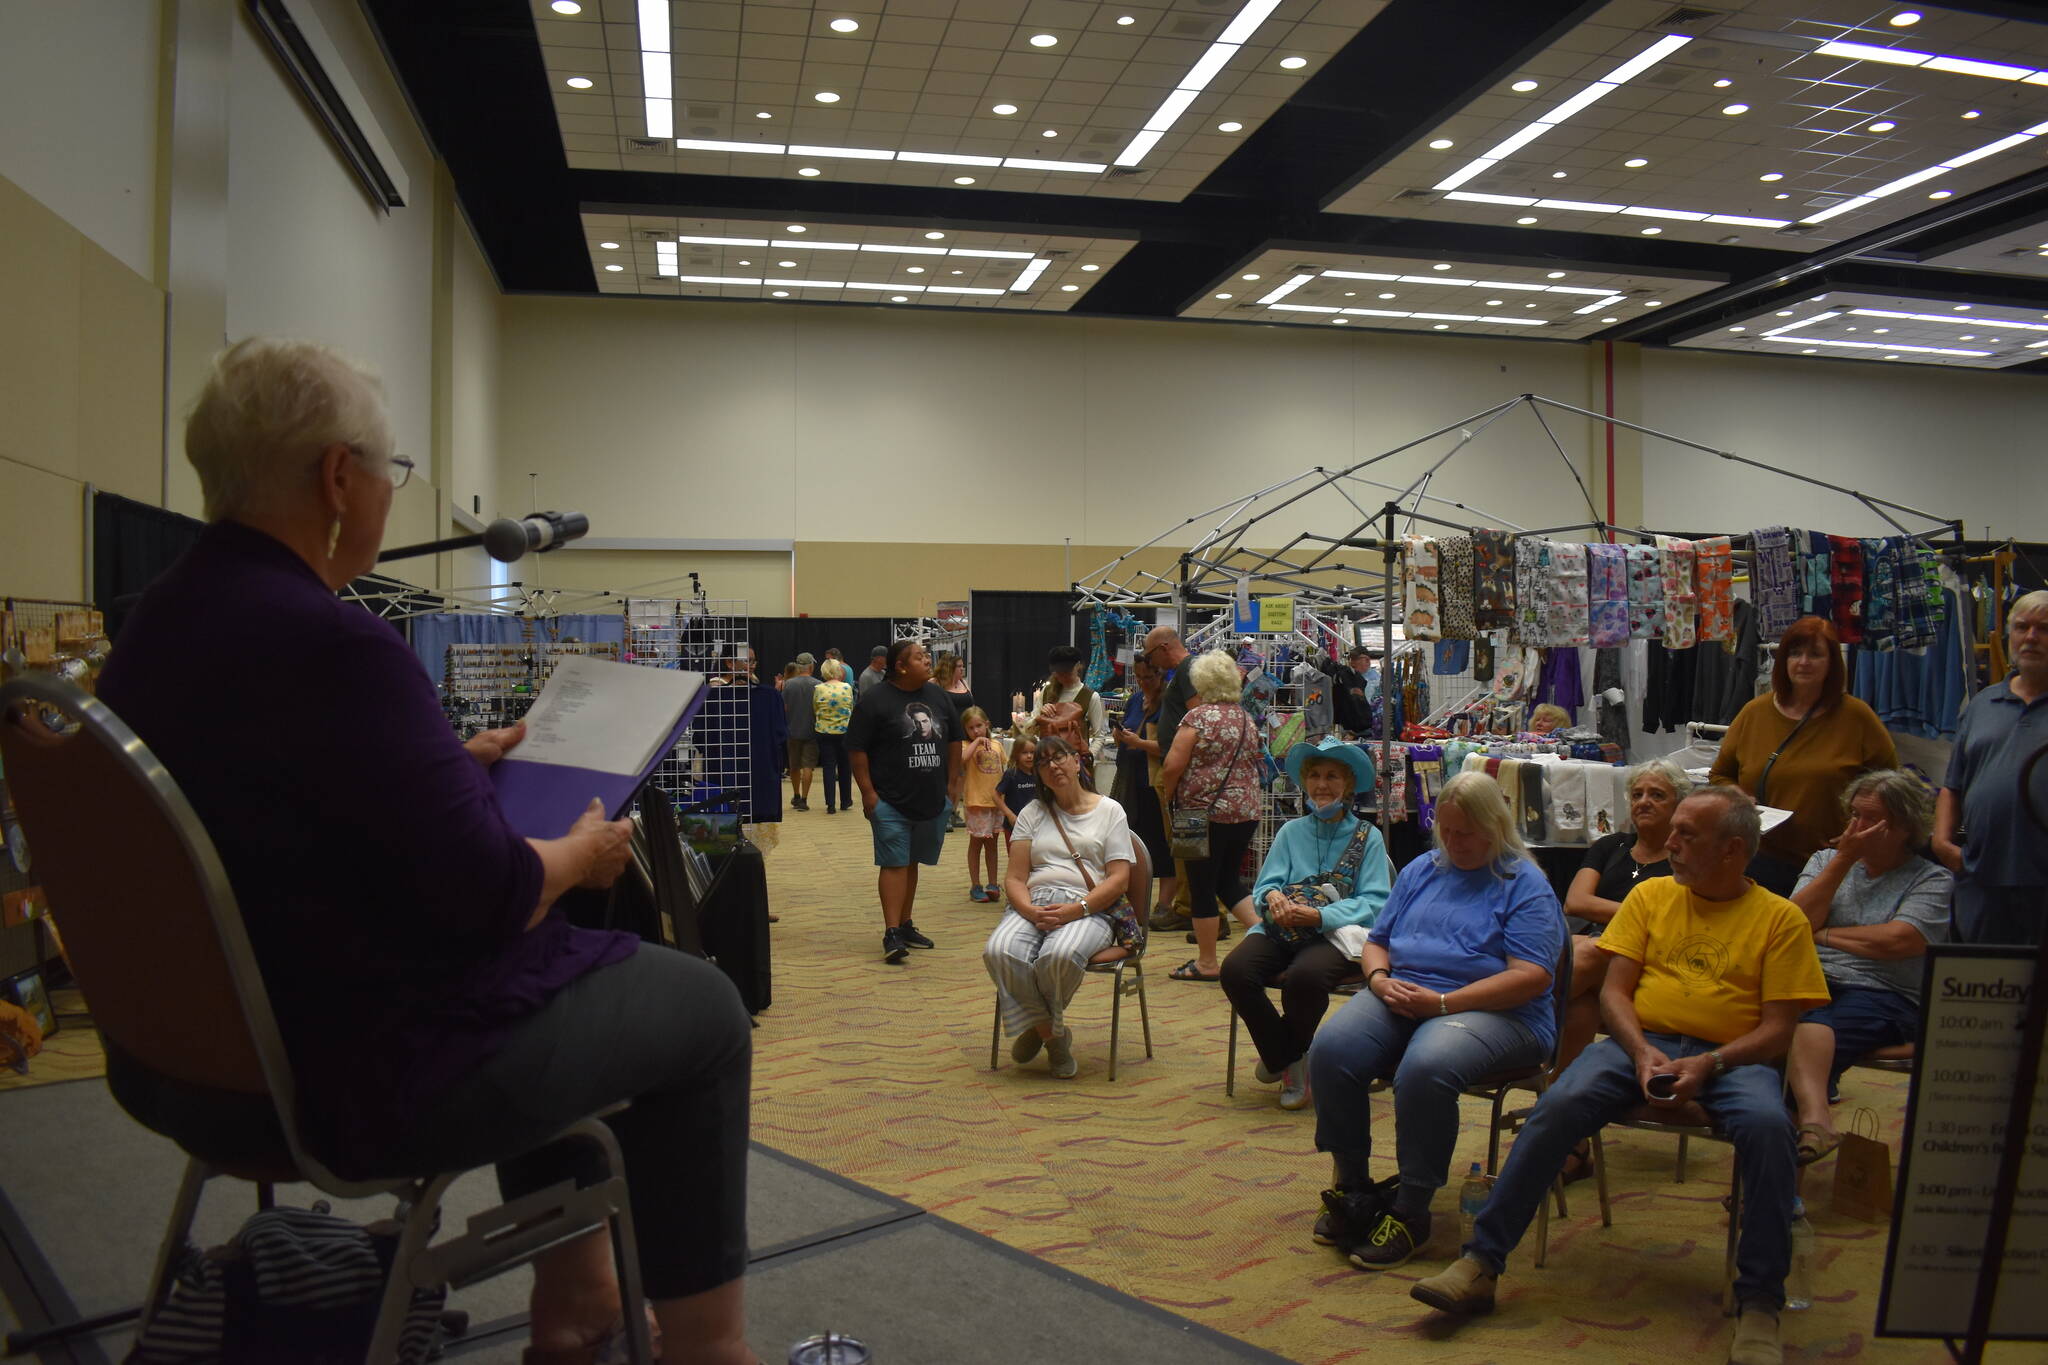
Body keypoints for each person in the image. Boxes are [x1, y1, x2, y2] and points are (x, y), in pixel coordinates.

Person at [94, 339, 756, 1365]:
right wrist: (579, 853)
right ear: (337, 477)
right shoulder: (336, 644)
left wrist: (437, 761)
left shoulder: (160, 626)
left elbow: (274, 803)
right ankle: (706, 1348)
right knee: (701, 1011)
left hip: (187, 1057)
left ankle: (579, 1301)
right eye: (392, 473)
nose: (392, 496)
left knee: (565, 959)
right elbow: (485, 897)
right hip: (348, 1073)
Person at [1410, 787, 1827, 1365]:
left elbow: (1781, 1029)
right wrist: (1639, 1052)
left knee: (1766, 1128)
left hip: (1732, 1055)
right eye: (1673, 831)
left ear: (1733, 850)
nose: (1669, 843)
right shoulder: (1651, 896)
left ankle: (1760, 1304)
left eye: (1687, 835)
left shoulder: (1781, 919)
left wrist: (1710, 1063)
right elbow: (1614, 993)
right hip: (1640, 1044)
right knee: (1556, 1106)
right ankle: (1481, 1263)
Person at [1306, 772, 1562, 1271]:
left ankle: (1412, 1210)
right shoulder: (1424, 868)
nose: (1453, 842)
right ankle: (1353, 1185)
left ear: (1496, 827)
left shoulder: (1523, 883)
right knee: (1333, 1048)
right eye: (1445, 830)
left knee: (1426, 1067)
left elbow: (1531, 976)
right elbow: (1377, 939)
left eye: (1466, 833)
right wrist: (1378, 979)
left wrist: (1445, 1003)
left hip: (1500, 1012)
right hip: (1405, 993)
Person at [1786, 770, 1950, 1163]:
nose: (1854, 827)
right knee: (1776, 1030)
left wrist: (1824, 935)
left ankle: (1783, 1178)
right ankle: (1810, 1129)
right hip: (1812, 980)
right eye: (1853, 815)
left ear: (1903, 827)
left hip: (1885, 994)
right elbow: (1793, 925)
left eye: (1868, 819)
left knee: (1794, 1040)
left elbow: (1898, 941)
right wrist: (1843, 861)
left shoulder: (1932, 880)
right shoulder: (1827, 860)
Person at [1221, 738, 1392, 1109]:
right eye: (1314, 775)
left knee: (1305, 978)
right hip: (1281, 928)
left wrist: (1321, 915)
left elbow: (1376, 902)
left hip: (1335, 935)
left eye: (1332, 776)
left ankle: (1285, 1062)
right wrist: (1273, 898)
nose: (1321, 784)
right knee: (1235, 970)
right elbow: (1265, 884)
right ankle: (1288, 1056)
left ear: (1347, 785)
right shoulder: (1290, 832)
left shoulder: (1369, 837)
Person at [982, 735, 1143, 1079]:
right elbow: (1014, 878)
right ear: (1038, 774)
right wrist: (1028, 910)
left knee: (1059, 956)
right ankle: (1053, 1036)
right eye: (1043, 763)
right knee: (999, 950)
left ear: (1077, 761)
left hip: (1091, 904)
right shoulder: (1032, 812)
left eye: (1059, 758)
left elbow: (1118, 880)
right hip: (1035, 902)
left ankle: (1036, 1028)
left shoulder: (1110, 810)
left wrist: (1078, 909)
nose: (1053, 767)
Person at [1710, 614, 1895, 894]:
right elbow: (1720, 775)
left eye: (1815, 654)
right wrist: (1737, 795)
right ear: (1783, 659)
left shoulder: (1857, 717)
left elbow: (1890, 785)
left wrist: (1859, 827)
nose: (1803, 662)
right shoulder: (1754, 713)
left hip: (1830, 863)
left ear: (1832, 662)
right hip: (1759, 859)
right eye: (1795, 653)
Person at [1559, 759, 1691, 1077]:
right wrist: (1639, 915)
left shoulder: (1685, 858)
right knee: (1583, 1006)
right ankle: (1555, 1092)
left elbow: (1670, 923)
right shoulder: (1610, 845)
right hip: (1591, 957)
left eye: (1657, 795)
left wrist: (1619, 924)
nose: (1644, 801)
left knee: (1591, 951)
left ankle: (1518, 1012)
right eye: (1637, 794)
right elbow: (1575, 902)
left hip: (1645, 960)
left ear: (1680, 805)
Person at [1935, 588, 2048, 944]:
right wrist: (1941, 842)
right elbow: (1953, 785)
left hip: (2042, 883)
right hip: (1980, 875)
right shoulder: (1983, 704)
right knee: (1980, 986)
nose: (2031, 637)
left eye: (2044, 629)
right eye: (2022, 627)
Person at [847, 639, 964, 964]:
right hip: (889, 799)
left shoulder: (938, 695)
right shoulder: (875, 700)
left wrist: (953, 784)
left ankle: (906, 923)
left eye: (928, 656)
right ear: (900, 666)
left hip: (931, 798)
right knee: (895, 862)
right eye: (920, 657)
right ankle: (892, 932)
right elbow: (857, 749)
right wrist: (868, 793)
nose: (928, 660)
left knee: (912, 861)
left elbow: (955, 740)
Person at [1159, 649, 1263, 982]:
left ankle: (1206, 962)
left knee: (1203, 886)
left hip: (1202, 814)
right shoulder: (1246, 718)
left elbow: (1174, 764)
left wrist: (1170, 794)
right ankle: (1267, 937)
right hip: (1245, 812)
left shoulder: (1197, 718)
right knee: (1228, 881)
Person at [1139, 625, 1198, 932]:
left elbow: (1196, 720)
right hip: (1175, 767)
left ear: (1162, 648)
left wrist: (1175, 773)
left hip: (1180, 771)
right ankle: (1188, 904)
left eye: (1149, 656)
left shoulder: (1187, 671)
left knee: (1184, 841)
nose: (1149, 664)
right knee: (1180, 841)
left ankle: (1189, 906)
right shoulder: (1184, 672)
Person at [1109, 655, 1171, 909]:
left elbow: (1171, 747)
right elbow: (1129, 732)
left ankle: (1165, 904)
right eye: (1140, 677)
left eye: (1150, 677)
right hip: (1131, 781)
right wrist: (1120, 735)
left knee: (1162, 844)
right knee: (1133, 843)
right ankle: (1138, 900)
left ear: (1161, 675)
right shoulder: (1135, 700)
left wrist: (1138, 743)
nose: (1144, 683)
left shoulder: (1169, 703)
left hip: (1155, 783)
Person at [1028, 643, 1110, 763]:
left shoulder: (1091, 697)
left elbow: (1099, 737)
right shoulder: (1047, 691)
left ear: (1078, 666)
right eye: (1059, 673)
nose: (1063, 676)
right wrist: (1040, 715)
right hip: (1047, 763)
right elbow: (1029, 728)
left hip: (1077, 765)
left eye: (1067, 672)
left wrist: (1084, 760)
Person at [959, 706, 1006, 902]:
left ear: (987, 724)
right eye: (971, 728)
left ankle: (993, 883)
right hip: (977, 803)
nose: (976, 730)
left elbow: (1005, 767)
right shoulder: (965, 745)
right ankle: (975, 884)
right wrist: (976, 741)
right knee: (976, 844)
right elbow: (962, 759)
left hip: (996, 803)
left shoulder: (997, 745)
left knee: (993, 845)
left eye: (979, 726)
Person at [1305, 644, 1381, 738]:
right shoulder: (1347, 677)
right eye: (1351, 659)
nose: (1352, 662)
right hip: (1352, 728)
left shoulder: (1375, 680)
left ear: (1367, 660)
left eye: (1355, 659)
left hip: (1370, 728)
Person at [812, 659, 855, 815]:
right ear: (838, 670)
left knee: (828, 768)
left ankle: (830, 804)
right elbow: (851, 707)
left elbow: (815, 709)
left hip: (824, 732)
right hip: (844, 731)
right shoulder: (847, 687)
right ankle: (846, 801)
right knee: (845, 767)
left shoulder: (818, 688)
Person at [783, 653, 819, 811]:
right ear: (811, 666)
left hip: (792, 730)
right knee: (808, 766)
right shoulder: (818, 685)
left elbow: (783, 708)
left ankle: (796, 795)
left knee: (794, 766)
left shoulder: (788, 684)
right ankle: (804, 799)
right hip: (812, 730)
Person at [997, 737, 1039, 841]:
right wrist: (1009, 815)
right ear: (1016, 754)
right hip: (1014, 825)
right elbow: (995, 796)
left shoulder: (1040, 774)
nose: (1029, 756)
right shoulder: (1011, 774)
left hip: (1036, 825)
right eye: (1024, 753)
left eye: (1033, 752)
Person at [934, 651, 976, 727]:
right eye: (959, 666)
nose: (962, 669)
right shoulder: (936, 682)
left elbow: (972, 706)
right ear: (949, 667)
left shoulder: (963, 682)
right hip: (949, 727)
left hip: (967, 726)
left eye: (962, 666)